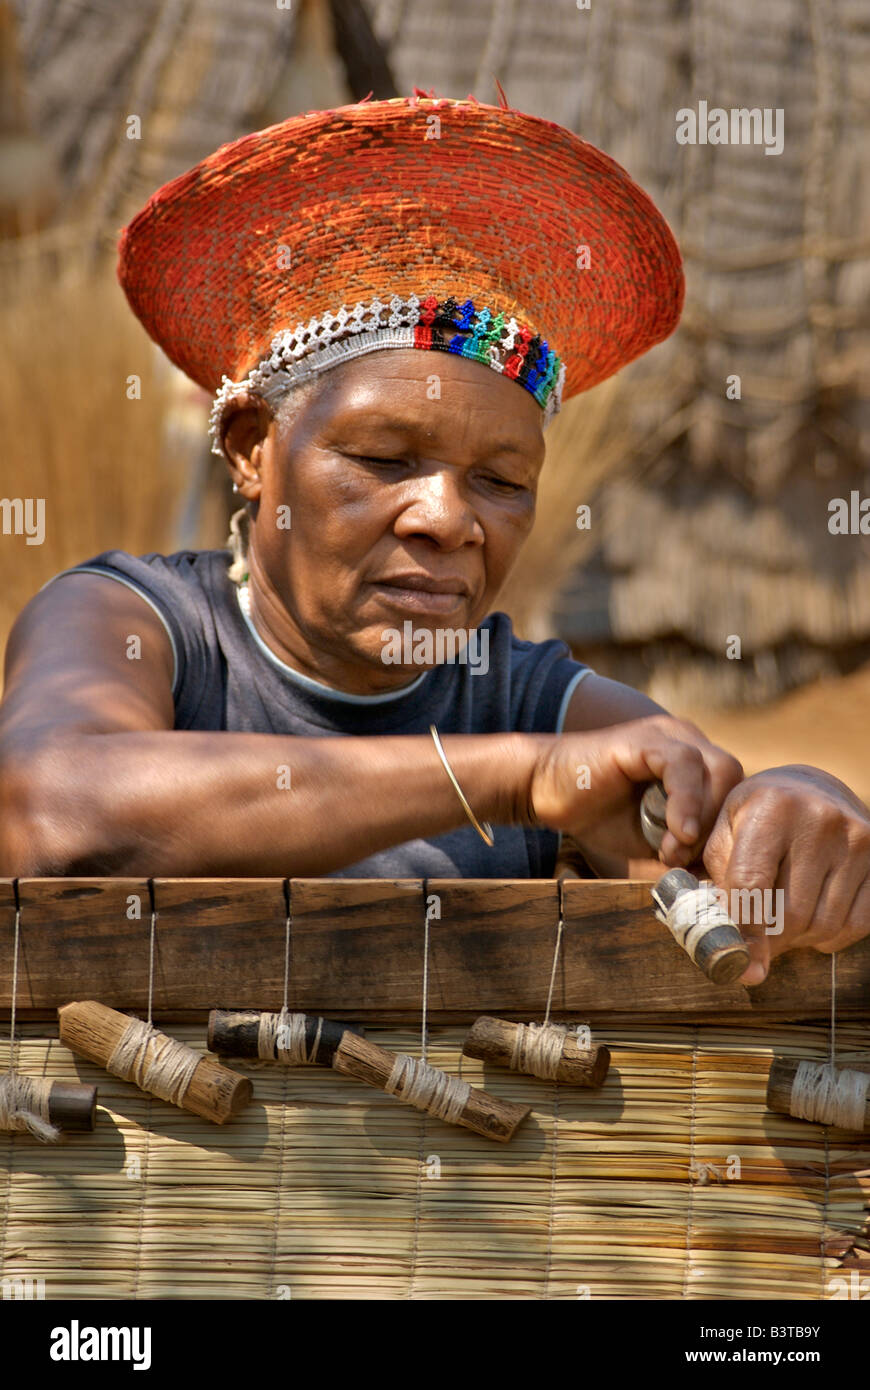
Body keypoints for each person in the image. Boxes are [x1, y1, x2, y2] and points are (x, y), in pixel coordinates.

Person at [0, 94, 867, 989]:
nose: (448, 520)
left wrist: (802, 803)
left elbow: (723, 824)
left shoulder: (534, 703)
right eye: (383, 458)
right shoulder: (135, 623)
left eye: (500, 482)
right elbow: (54, 817)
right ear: (252, 448)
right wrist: (510, 782)